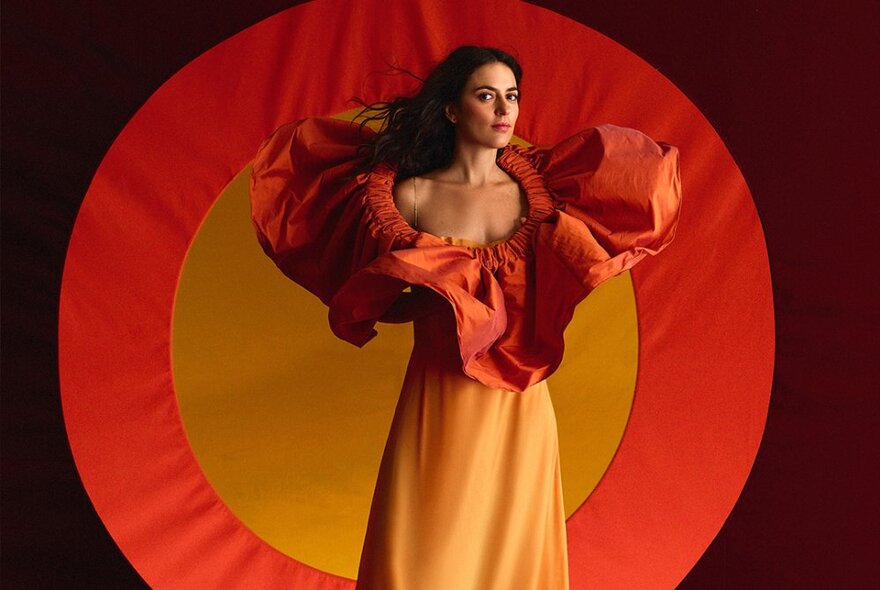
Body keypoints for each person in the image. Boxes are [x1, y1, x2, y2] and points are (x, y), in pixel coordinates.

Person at [250, 45, 680, 590]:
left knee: (512, 567)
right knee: (420, 564)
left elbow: (571, 275)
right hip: (437, 400)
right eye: (486, 95)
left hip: (520, 408)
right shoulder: (407, 196)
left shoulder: (544, 199)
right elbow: (372, 290)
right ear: (453, 110)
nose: (504, 110)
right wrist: (427, 299)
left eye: (512, 97)